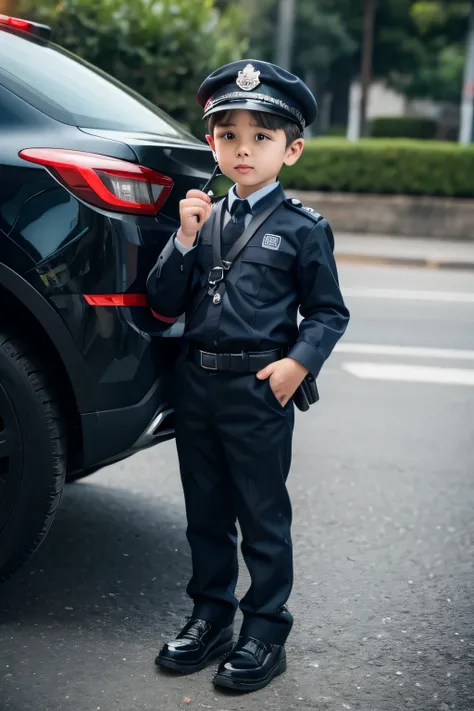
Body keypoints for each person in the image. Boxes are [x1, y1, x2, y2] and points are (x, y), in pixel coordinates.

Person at [147, 59, 350, 693]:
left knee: (262, 515)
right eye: (229, 134)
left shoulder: (302, 229)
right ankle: (211, 614)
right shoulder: (199, 217)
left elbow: (328, 312)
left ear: (290, 149)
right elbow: (162, 302)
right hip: (198, 385)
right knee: (205, 512)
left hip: (260, 391)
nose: (243, 149)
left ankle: (265, 627)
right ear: (211, 142)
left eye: (261, 137)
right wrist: (182, 241)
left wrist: (297, 363)